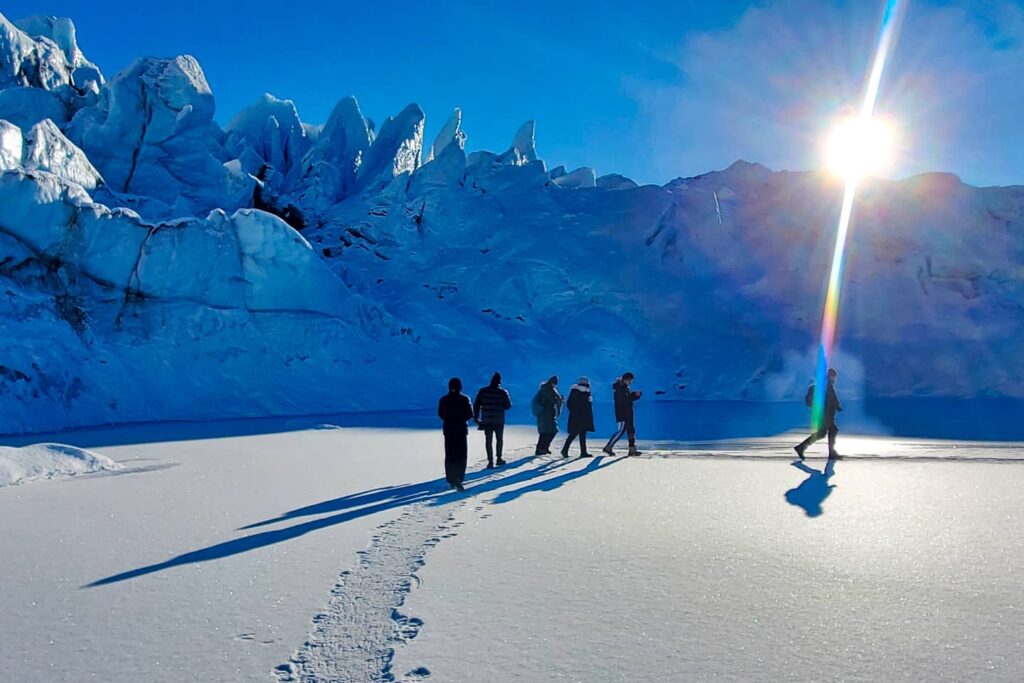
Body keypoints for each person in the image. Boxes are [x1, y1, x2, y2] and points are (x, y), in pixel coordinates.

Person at [794, 367, 842, 460]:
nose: (835, 378)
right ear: (831, 376)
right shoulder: (827, 385)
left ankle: (801, 447)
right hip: (825, 414)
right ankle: (832, 453)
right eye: (834, 376)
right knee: (833, 430)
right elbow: (831, 398)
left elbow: (831, 398)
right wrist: (837, 406)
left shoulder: (825, 384)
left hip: (822, 414)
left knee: (822, 433)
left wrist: (836, 406)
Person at [438, 377, 473, 491]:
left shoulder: (443, 400)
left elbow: (440, 414)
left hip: (448, 430)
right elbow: (469, 414)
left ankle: (451, 478)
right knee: (461, 455)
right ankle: (459, 477)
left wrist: (449, 419)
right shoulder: (464, 399)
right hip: (461, 430)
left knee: (450, 454)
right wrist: (460, 419)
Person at [473, 371, 512, 468]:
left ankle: (490, 461)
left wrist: (476, 417)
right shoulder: (503, 392)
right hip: (499, 420)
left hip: (487, 420)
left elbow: (476, 405)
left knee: (488, 441)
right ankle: (499, 458)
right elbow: (508, 406)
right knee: (499, 439)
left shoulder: (483, 391)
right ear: (500, 381)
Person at [603, 372, 642, 456]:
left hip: (628, 413)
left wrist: (635, 394)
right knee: (621, 431)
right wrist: (636, 396)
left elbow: (627, 398)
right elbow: (625, 400)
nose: (630, 382)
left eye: (631, 381)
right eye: (630, 380)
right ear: (625, 380)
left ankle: (632, 449)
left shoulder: (624, 387)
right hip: (622, 413)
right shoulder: (619, 388)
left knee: (631, 430)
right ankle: (608, 446)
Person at [561, 377, 595, 458]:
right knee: (579, 434)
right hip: (581, 416)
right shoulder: (585, 392)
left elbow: (570, 404)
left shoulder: (575, 391)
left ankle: (568, 450)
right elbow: (584, 405)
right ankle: (578, 451)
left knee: (575, 434)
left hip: (576, 416)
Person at [531, 375, 563, 455]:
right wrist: (558, 400)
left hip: (547, 414)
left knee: (547, 432)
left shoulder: (549, 390)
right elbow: (550, 401)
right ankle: (541, 449)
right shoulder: (547, 390)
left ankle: (543, 448)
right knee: (547, 432)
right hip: (545, 414)